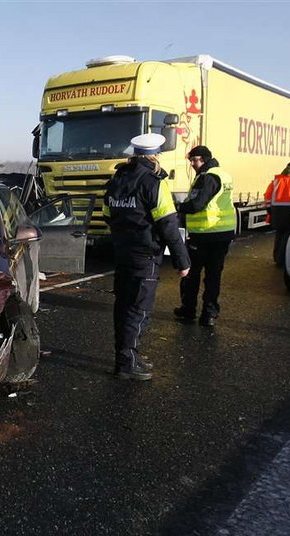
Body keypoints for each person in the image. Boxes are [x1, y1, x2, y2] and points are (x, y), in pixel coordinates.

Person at [103, 133, 190, 381]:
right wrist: (182, 261)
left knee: (123, 307)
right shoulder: (154, 183)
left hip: (122, 252)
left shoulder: (117, 179)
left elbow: (108, 215)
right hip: (145, 255)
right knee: (138, 309)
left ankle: (125, 356)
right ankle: (127, 363)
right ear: (155, 155)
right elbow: (168, 226)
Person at [174, 145, 236, 327]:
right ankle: (209, 314)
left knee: (191, 274)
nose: (192, 164)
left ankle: (188, 310)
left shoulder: (206, 177)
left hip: (203, 235)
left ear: (203, 159)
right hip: (222, 235)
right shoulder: (223, 174)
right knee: (213, 276)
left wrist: (178, 207)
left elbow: (197, 205)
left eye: (194, 160)